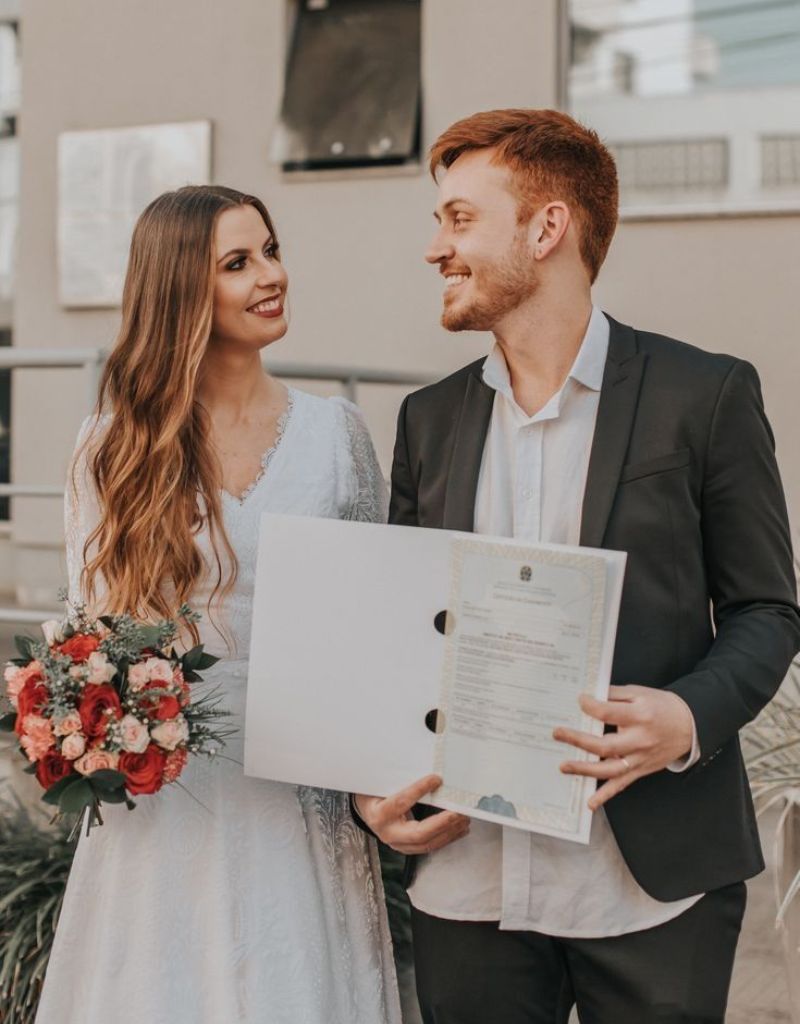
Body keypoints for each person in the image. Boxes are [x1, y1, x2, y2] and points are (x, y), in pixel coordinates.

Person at [354, 109, 800, 1023]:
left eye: (459, 219)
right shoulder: (428, 420)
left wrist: (687, 716)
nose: (435, 247)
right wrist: (374, 787)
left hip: (650, 885)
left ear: (547, 227)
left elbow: (769, 609)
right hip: (467, 882)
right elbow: (401, 634)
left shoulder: (705, 394)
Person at [35, 185, 401, 1024]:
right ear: (181, 291)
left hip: (301, 784)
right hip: (167, 784)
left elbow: (372, 621)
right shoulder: (113, 446)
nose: (271, 275)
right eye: (238, 263)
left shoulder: (339, 432)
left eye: (270, 251)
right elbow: (96, 638)